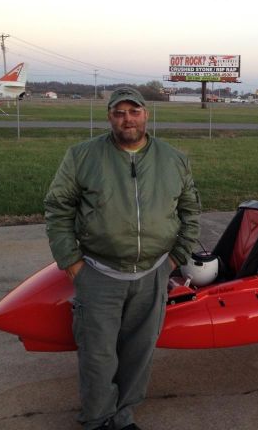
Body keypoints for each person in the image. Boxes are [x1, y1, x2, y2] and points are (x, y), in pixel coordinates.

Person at [44, 87, 201, 430]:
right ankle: (98, 419)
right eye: (119, 112)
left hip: (153, 273)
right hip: (99, 273)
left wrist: (177, 256)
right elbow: (58, 209)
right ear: (109, 117)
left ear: (146, 114)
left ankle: (123, 415)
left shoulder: (173, 158)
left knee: (138, 353)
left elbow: (190, 211)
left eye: (134, 111)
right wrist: (70, 260)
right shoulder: (81, 156)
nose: (127, 119)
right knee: (98, 356)